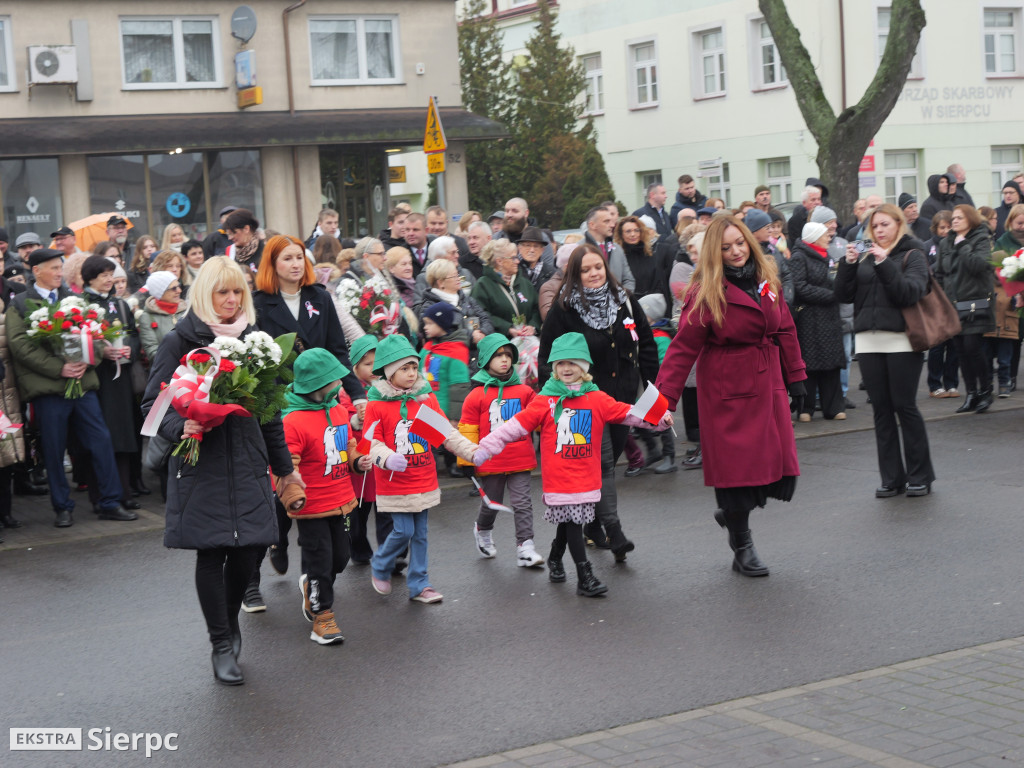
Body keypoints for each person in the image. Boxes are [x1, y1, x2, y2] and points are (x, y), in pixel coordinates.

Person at [142, 256, 305, 685]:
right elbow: (152, 407)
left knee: (249, 548)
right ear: (204, 294)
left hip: (248, 461)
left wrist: (284, 469)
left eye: (237, 292)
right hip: (202, 464)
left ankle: (231, 624)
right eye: (222, 292)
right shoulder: (180, 341)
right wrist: (184, 424)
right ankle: (220, 644)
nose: (231, 300)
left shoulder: (256, 340)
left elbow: (270, 413)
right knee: (212, 551)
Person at [657, 217, 807, 577]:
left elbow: (784, 326)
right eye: (726, 248)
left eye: (739, 243)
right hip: (727, 389)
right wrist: (663, 400)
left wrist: (797, 376)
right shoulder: (705, 292)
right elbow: (681, 349)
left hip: (766, 380)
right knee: (737, 475)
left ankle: (731, 514)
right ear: (714, 253)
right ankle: (742, 544)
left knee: (772, 470)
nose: (736, 251)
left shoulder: (766, 278)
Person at [475, 333, 671, 596]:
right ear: (554, 368)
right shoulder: (545, 400)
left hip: (586, 476)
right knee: (574, 524)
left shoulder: (597, 399)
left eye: (573, 363)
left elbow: (628, 414)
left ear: (584, 367)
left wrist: (657, 418)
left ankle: (556, 558)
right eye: (561, 364)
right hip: (560, 477)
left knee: (568, 523)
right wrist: (484, 448)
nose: (566, 368)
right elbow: (514, 426)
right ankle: (584, 576)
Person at [539, 243, 660, 561]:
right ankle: (613, 531)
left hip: (622, 397)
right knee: (602, 465)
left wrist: (654, 393)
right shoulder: (563, 310)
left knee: (606, 463)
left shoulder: (625, 303)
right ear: (574, 275)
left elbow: (645, 345)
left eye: (598, 267)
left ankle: (585, 529)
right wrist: (556, 403)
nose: (594, 274)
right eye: (585, 270)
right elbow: (545, 359)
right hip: (581, 403)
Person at [6, 248, 136, 527]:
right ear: (36, 270)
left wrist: (86, 361)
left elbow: (98, 336)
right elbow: (21, 347)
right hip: (50, 390)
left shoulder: (75, 300)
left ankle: (110, 502)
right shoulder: (20, 304)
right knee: (53, 449)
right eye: (52, 268)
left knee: (101, 441)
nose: (58, 273)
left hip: (82, 384)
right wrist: (59, 368)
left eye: (60, 268)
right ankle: (62, 506)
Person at [363, 335, 480, 604]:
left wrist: (472, 451)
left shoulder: (423, 401)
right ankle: (380, 564)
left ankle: (420, 584)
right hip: (395, 482)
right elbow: (372, 443)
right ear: (390, 372)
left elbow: (446, 434)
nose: (411, 373)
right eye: (404, 369)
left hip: (423, 478)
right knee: (403, 531)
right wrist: (387, 458)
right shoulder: (377, 405)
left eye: (414, 367)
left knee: (421, 534)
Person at [834, 204, 935, 497]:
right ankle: (892, 478)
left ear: (899, 225)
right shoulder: (865, 256)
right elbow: (843, 296)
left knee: (904, 405)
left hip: (902, 339)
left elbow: (909, 293)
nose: (879, 231)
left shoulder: (913, 254)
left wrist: (883, 262)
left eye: (885, 225)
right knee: (880, 410)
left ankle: (920, 475)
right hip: (868, 339)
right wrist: (849, 264)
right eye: (874, 226)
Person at [279, 348, 361, 646]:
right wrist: (293, 496)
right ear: (315, 384)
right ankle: (322, 616)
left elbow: (348, 445)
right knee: (320, 561)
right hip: (311, 507)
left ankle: (313, 589)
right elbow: (285, 466)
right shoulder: (293, 421)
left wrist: (356, 460)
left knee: (340, 559)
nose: (339, 383)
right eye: (332, 380)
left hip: (341, 500)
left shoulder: (338, 409)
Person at [457, 333, 542, 565]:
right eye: (497, 355)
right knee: (491, 502)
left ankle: (525, 547)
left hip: (520, 457)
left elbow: (540, 417)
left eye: (507, 355)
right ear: (485, 361)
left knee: (523, 502)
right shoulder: (476, 395)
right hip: (491, 461)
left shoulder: (525, 391)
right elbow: (468, 430)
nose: (504, 359)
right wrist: (467, 461)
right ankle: (482, 530)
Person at [80, 254, 143, 511]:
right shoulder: (81, 304)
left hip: (122, 377)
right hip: (98, 378)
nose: (110, 280)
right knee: (102, 436)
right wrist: (100, 351)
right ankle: (102, 493)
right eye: (104, 275)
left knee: (125, 433)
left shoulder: (121, 304)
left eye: (111, 275)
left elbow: (134, 336)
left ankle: (125, 490)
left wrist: (129, 349)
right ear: (90, 278)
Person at [936, 205, 997, 414]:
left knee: (973, 346)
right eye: (953, 218)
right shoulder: (945, 242)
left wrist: (963, 245)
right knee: (960, 349)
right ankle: (971, 393)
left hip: (975, 302)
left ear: (970, 219)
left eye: (959, 218)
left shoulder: (981, 238)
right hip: (953, 304)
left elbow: (979, 265)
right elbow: (941, 273)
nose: (954, 221)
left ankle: (985, 391)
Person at [345, 336, 397, 567]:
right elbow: (341, 422)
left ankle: (390, 556)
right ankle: (358, 549)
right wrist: (356, 419)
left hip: (382, 463)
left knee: (386, 513)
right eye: (367, 364)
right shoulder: (348, 394)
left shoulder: (389, 390)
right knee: (358, 515)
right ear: (355, 368)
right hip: (359, 466)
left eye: (378, 363)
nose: (374, 369)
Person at [789, 222, 847, 422]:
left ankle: (833, 407)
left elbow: (833, 280)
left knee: (831, 365)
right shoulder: (799, 257)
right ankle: (806, 408)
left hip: (829, 319)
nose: (829, 237)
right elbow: (800, 286)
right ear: (814, 237)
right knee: (810, 365)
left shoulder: (827, 256)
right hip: (809, 319)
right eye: (824, 234)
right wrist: (830, 295)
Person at [417, 259, 492, 357]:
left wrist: (482, 332)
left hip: (480, 355)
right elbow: (447, 333)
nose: (459, 279)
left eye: (458, 274)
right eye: (454, 276)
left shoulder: (466, 299)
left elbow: (485, 318)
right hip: (453, 359)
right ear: (441, 283)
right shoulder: (429, 308)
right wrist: (472, 336)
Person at [470, 240, 541, 339]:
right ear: (499, 261)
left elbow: (537, 309)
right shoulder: (483, 285)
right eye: (513, 258)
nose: (517, 261)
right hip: (500, 344)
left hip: (528, 342)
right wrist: (507, 328)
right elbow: (481, 315)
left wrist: (532, 326)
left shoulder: (525, 283)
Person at [614, 216, 672, 304]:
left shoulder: (650, 254)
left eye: (636, 230)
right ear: (621, 235)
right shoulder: (618, 257)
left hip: (652, 305)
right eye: (628, 231)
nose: (633, 234)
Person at [137, 271, 186, 362]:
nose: (179, 291)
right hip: (167, 370)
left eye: (178, 286)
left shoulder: (186, 311)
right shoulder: (147, 317)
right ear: (160, 292)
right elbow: (152, 352)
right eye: (174, 288)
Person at [517, 227, 555, 292]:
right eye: (528, 245)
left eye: (536, 246)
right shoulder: (513, 269)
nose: (532, 250)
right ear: (520, 248)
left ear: (542, 250)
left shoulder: (552, 273)